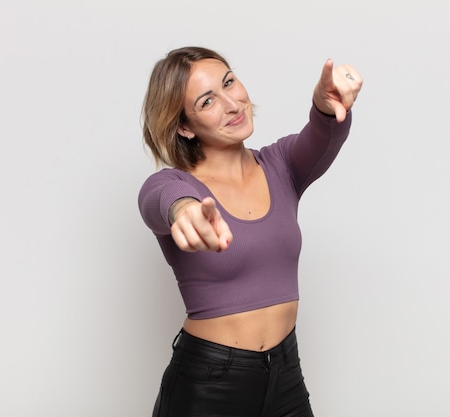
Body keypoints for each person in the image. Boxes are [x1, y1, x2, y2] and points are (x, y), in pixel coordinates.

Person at [138, 46, 361, 417]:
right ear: (184, 126)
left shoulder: (281, 165)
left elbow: (321, 136)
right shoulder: (173, 183)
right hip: (209, 383)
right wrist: (185, 208)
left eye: (229, 83)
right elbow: (159, 198)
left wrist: (327, 105)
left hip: (286, 374)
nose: (231, 103)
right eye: (208, 101)